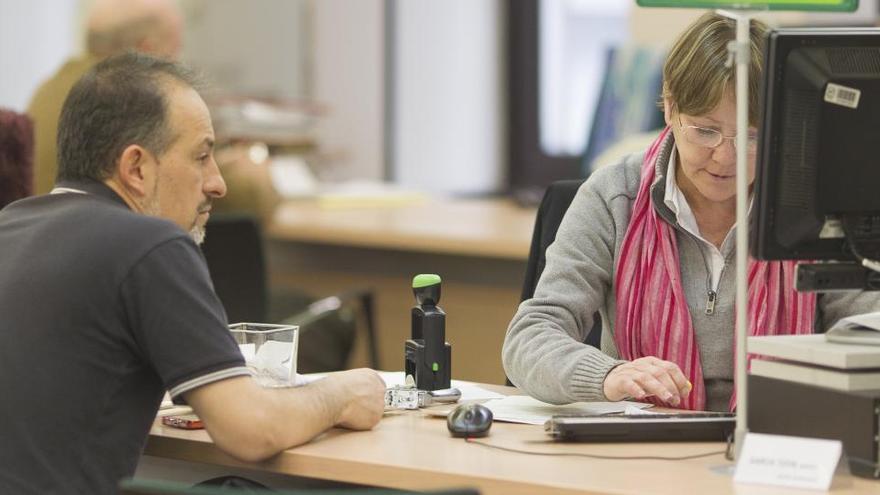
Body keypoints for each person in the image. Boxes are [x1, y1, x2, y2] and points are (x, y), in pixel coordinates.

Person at [0, 53, 385, 494]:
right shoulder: (149, 244)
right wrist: (343, 394)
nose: (217, 182)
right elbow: (251, 430)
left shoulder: (9, 224)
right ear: (137, 168)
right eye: (202, 156)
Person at [502, 12, 880, 412]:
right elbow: (530, 337)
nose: (725, 157)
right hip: (640, 447)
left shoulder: (815, 204)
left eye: (752, 136)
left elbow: (865, 333)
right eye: (705, 130)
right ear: (669, 107)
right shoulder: (616, 196)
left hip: (781, 442)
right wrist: (607, 375)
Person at [28, 0, 183, 196]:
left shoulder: (48, 89)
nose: (177, 66)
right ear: (146, 50)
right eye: (175, 50)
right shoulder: (129, 97)